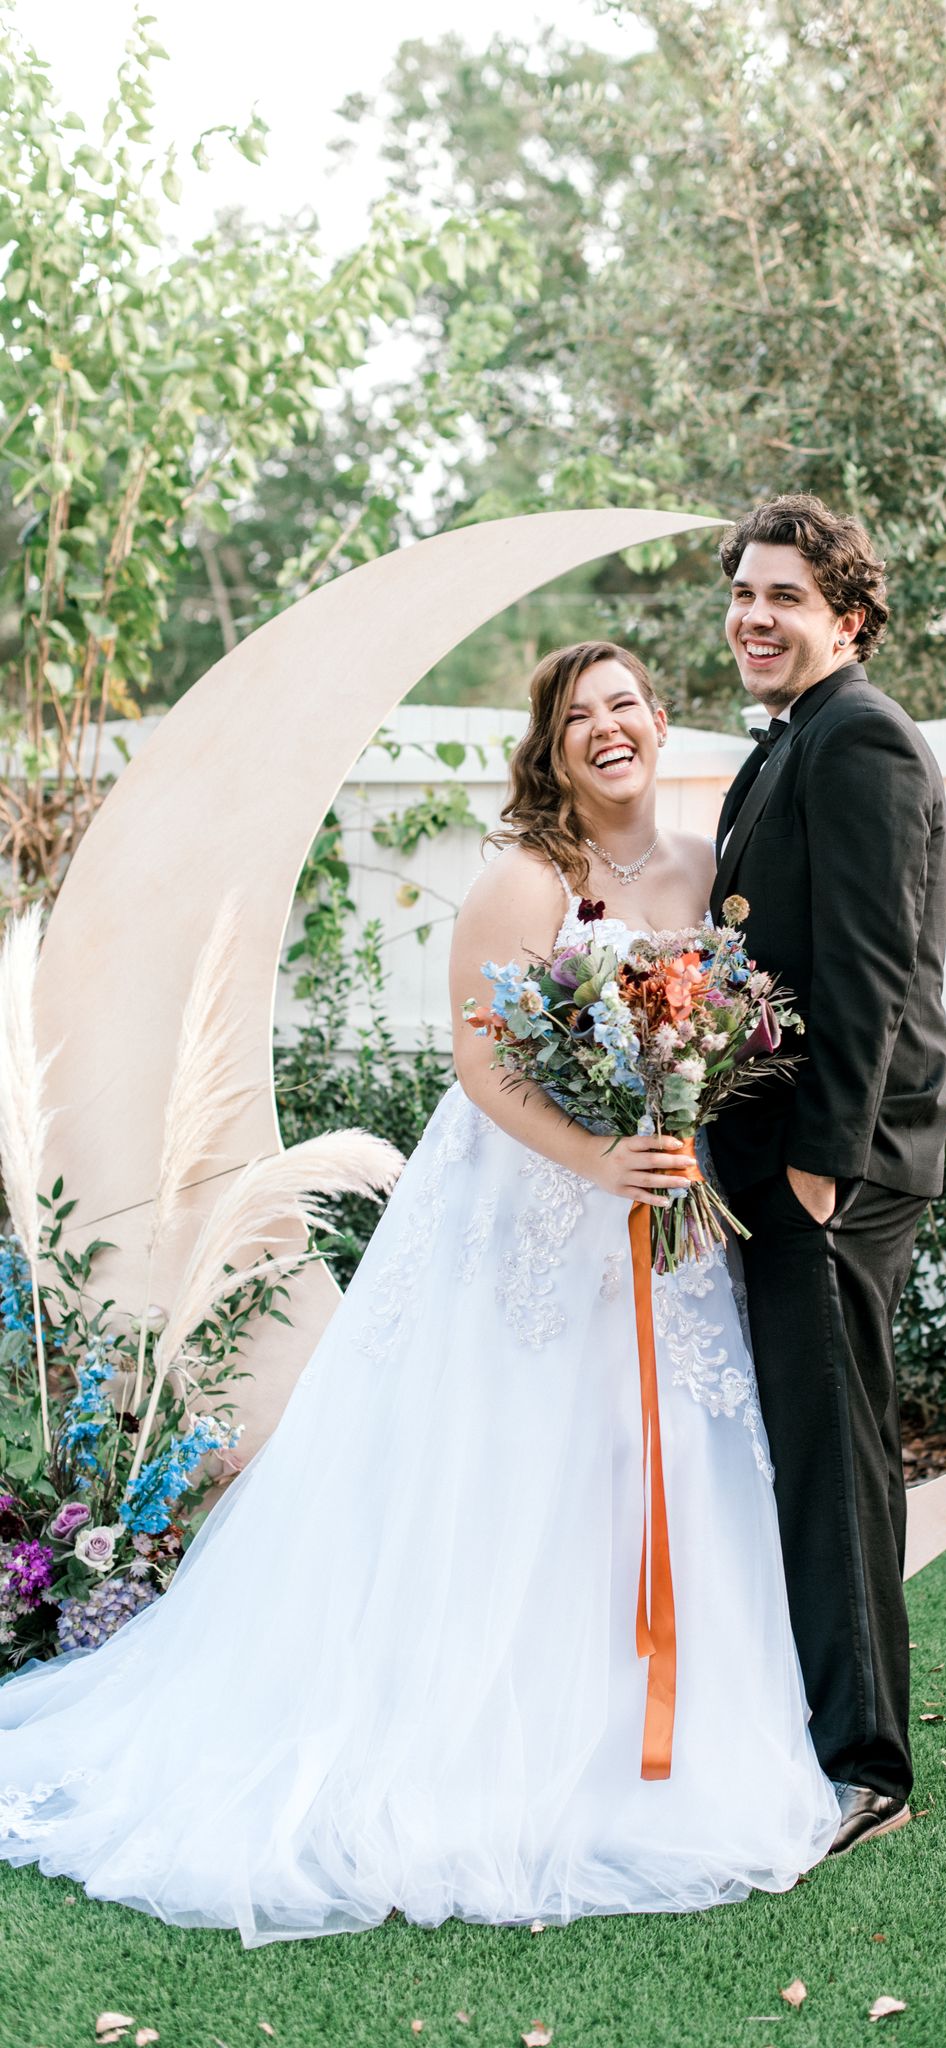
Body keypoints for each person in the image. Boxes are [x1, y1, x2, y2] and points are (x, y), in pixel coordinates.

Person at [0, 640, 840, 1947]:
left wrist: (677, 1133)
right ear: (552, 750)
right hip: (529, 1215)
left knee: (645, 1456)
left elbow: (728, 1028)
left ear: (660, 721)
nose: (608, 730)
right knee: (506, 1464)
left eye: (625, 705)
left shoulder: (702, 874)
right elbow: (486, 1064)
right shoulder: (524, 880)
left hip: (660, 1230)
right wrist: (599, 1156)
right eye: (579, 718)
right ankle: (470, 1729)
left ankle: (644, 1728)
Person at [707, 496, 946, 1858]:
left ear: (847, 617)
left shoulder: (861, 744)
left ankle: (867, 1765)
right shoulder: (786, 745)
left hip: (834, 1174)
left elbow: (872, 979)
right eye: (745, 593)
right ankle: (810, 1724)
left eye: (785, 597)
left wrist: (816, 1174)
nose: (755, 615)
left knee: (836, 1459)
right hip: (775, 1165)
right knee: (798, 1455)